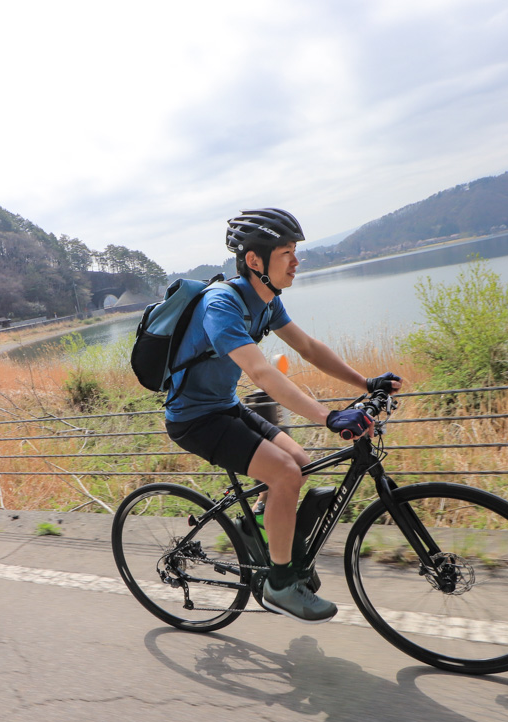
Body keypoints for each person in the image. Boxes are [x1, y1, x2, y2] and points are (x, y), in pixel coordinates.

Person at [165, 208, 401, 623]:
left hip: (225, 406)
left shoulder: (267, 303)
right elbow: (260, 372)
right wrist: (328, 417)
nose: (296, 261)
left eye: (295, 251)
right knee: (284, 475)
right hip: (194, 420)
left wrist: (365, 383)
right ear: (255, 261)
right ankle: (278, 583)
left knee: (302, 463)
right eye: (287, 253)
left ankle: (257, 525)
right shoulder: (221, 304)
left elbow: (309, 348)